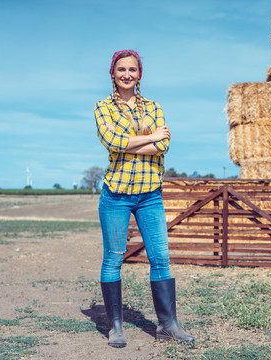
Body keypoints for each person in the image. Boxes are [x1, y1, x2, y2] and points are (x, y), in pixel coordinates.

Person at [94, 49, 195, 348]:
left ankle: (168, 325)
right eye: (121, 69)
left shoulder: (154, 105)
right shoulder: (102, 107)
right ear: (113, 73)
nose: (127, 74)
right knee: (113, 259)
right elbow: (112, 141)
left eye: (133, 70)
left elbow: (163, 146)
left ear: (140, 75)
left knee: (160, 258)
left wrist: (132, 143)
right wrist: (151, 136)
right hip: (116, 195)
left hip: (150, 195)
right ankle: (115, 328)